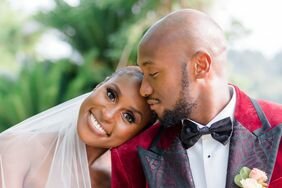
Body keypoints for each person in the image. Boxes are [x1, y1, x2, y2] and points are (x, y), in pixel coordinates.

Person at [111, 9, 282, 188]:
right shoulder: (130, 157)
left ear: (200, 66)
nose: (144, 90)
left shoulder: (279, 125)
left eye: (153, 73)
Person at [0, 66, 155, 188]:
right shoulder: (16, 148)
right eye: (111, 95)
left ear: (137, 134)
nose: (108, 115)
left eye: (128, 117)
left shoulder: (113, 183)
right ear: (99, 86)